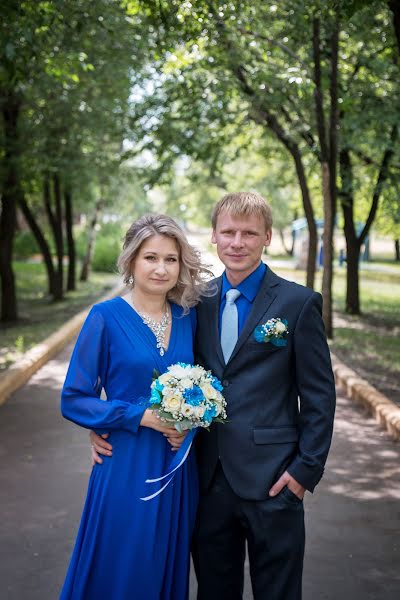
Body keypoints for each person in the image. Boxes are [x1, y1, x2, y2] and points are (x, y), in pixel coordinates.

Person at [91, 192, 336, 600]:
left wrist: (304, 472)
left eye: (249, 233)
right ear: (215, 237)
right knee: (214, 591)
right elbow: (155, 370)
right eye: (228, 232)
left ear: (267, 237)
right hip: (205, 480)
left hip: (275, 480)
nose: (237, 242)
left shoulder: (298, 303)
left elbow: (319, 396)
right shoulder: (192, 303)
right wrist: (107, 424)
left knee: (278, 592)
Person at [60, 214, 212, 600]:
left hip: (176, 464)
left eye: (171, 259)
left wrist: (188, 425)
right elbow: (74, 398)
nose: (161, 269)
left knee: (163, 561)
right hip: (125, 461)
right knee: (122, 561)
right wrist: (138, 416)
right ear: (131, 260)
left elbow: (201, 388)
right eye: (151, 257)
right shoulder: (105, 318)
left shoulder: (187, 318)